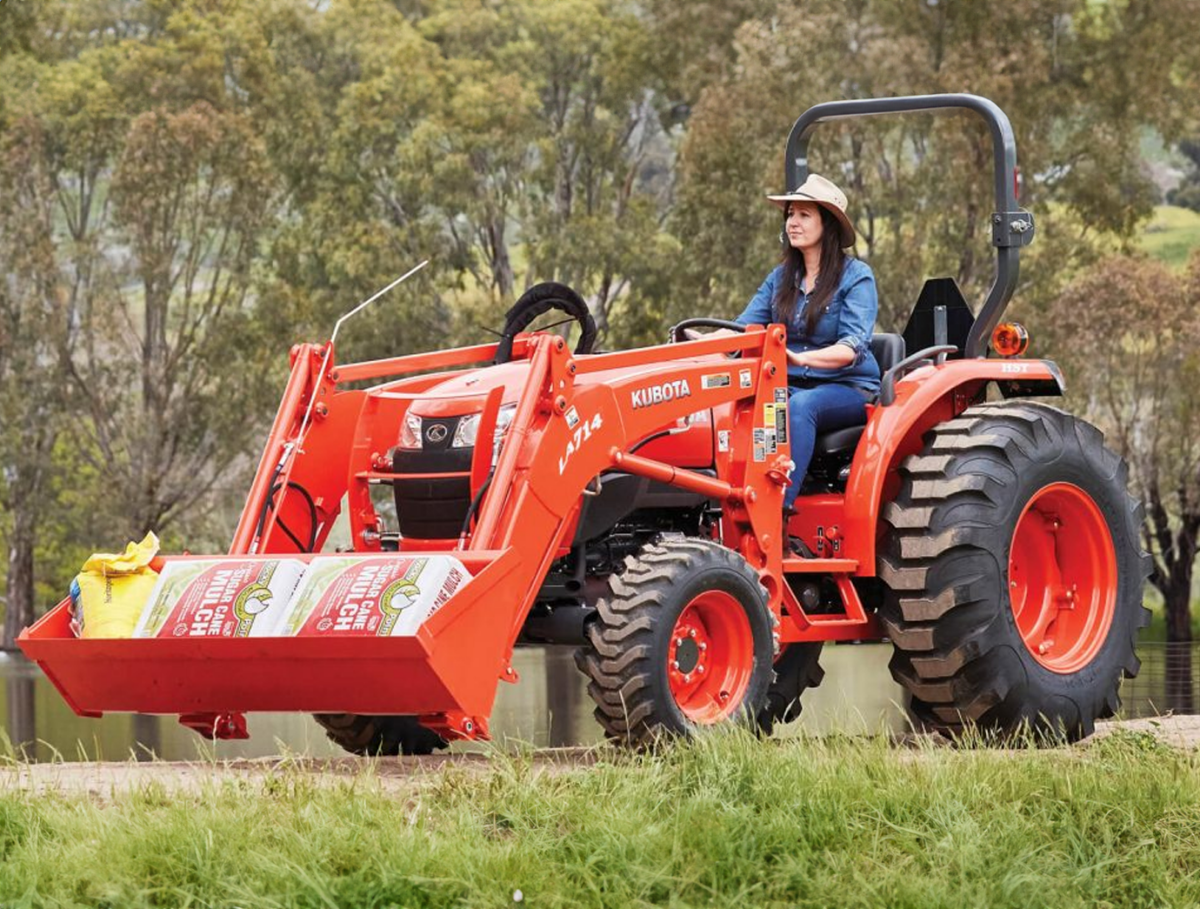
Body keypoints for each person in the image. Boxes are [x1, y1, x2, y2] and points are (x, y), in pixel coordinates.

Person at [735, 173, 880, 513]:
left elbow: (851, 347)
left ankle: (776, 511)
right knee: (737, 405)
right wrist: (699, 339)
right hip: (789, 384)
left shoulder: (856, 276)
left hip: (846, 386)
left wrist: (802, 360)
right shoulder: (782, 277)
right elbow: (742, 328)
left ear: (826, 224)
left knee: (798, 408)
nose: (792, 223)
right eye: (790, 215)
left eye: (803, 215)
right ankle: (729, 498)